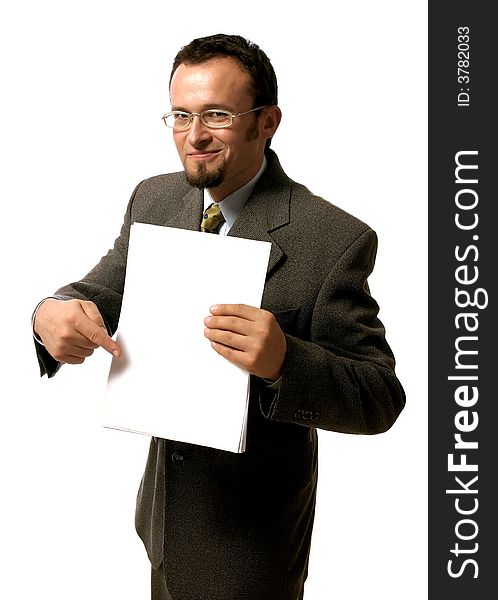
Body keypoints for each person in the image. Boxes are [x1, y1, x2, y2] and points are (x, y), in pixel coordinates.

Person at [33, 33, 406, 600]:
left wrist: (286, 361)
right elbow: (99, 289)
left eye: (216, 115)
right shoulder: (154, 200)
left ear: (267, 122)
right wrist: (49, 312)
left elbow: (380, 395)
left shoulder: (334, 239)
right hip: (162, 523)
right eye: (180, 115)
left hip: (252, 547)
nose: (194, 136)